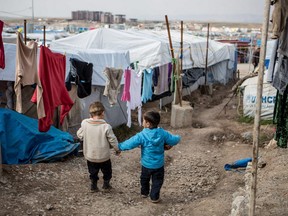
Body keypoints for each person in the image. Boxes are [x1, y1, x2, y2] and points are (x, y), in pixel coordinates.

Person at [118, 110, 181, 203]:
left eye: (143, 120)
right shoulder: (162, 133)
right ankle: (154, 197)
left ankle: (144, 192)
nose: (142, 122)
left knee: (144, 179)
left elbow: (130, 143)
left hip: (146, 165)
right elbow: (173, 140)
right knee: (157, 182)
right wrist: (178, 137)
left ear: (148, 124)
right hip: (158, 165)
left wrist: (119, 147)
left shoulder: (142, 135)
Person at [77, 101, 120, 192]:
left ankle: (94, 186)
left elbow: (79, 135)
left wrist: (86, 137)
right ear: (103, 113)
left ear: (90, 114)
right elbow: (113, 140)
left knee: (93, 171)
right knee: (107, 171)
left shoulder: (85, 123)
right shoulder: (106, 127)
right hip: (104, 156)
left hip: (90, 155)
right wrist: (117, 149)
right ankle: (106, 184)